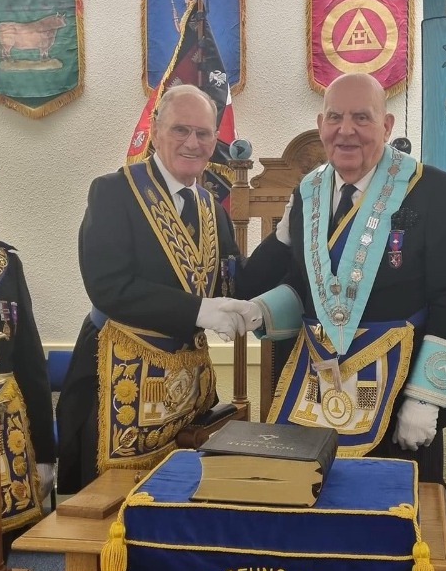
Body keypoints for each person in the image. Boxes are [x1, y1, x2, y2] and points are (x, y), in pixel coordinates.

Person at [240, 73, 446, 483]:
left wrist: (426, 399)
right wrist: (260, 307)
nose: (346, 130)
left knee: (396, 511)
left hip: (399, 397)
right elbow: (302, 286)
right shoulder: (308, 193)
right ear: (321, 125)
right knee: (309, 503)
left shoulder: (431, 188)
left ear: (386, 125)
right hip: (316, 391)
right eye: (335, 117)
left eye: (361, 118)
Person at [57, 84, 288, 494]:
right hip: (119, 380)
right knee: (110, 509)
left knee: (181, 497)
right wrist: (199, 311)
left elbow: (237, 282)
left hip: (188, 392)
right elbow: (108, 287)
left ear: (215, 140)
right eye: (181, 130)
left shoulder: (211, 207)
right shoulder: (114, 192)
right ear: (155, 130)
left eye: (203, 133)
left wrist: (282, 238)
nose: (192, 143)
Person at [0, 187, 56, 565]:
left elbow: (30, 362)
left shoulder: (3, 266)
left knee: (0, 565)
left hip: (3, 447)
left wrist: (45, 455)